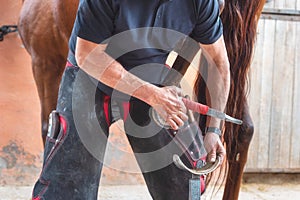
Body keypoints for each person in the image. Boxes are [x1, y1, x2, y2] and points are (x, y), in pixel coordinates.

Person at [32, 0, 229, 199]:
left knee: (184, 181)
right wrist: (152, 95)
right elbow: (88, 55)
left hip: (151, 76)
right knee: (67, 186)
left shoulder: (202, 2)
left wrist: (214, 130)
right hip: (90, 75)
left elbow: (218, 62)